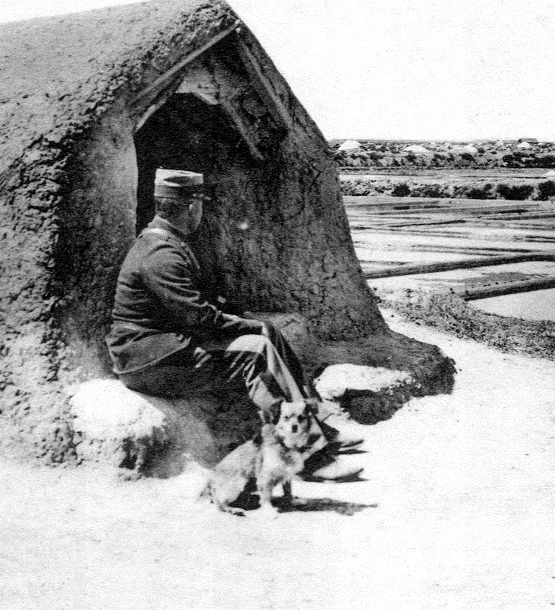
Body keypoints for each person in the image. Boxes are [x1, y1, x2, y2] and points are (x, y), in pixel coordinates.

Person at [106, 168, 363, 480]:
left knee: (269, 333)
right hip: (152, 361)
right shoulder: (160, 253)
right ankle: (307, 456)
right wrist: (246, 325)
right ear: (190, 208)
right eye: (200, 205)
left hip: (165, 349)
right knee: (256, 350)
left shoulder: (166, 242)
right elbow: (199, 318)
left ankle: (316, 425)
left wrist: (250, 322)